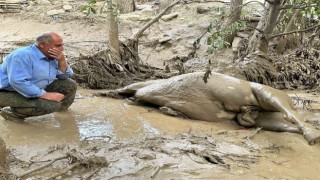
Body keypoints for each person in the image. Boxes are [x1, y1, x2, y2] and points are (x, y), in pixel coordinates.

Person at [0, 32, 77, 121]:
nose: (62, 49)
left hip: (32, 88)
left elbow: (64, 77)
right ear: (42, 44)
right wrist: (44, 95)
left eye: (62, 45)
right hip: (7, 92)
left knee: (69, 84)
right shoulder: (22, 55)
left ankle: (61, 113)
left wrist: (62, 61)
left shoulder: (52, 55)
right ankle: (11, 113)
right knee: (50, 105)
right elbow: (17, 81)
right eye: (58, 45)